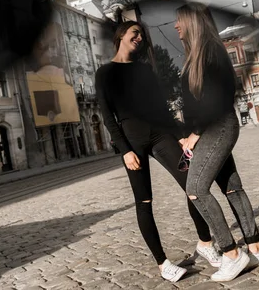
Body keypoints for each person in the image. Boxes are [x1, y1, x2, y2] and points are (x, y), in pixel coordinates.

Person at [95, 19, 222, 283]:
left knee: (193, 186)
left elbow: (161, 108)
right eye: (135, 33)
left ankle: (205, 243)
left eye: (142, 34)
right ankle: (163, 263)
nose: (139, 38)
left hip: (160, 134)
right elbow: (108, 117)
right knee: (144, 202)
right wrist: (125, 150)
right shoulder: (104, 73)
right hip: (132, 140)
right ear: (121, 35)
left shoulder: (144, 70)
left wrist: (178, 136)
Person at [174, 2, 259, 282]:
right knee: (232, 188)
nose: (176, 26)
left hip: (216, 128)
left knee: (196, 189)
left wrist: (196, 132)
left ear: (192, 22)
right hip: (214, 128)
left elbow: (219, 97)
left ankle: (231, 253)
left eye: (179, 21)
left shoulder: (210, 52)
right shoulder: (199, 54)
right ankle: (255, 247)